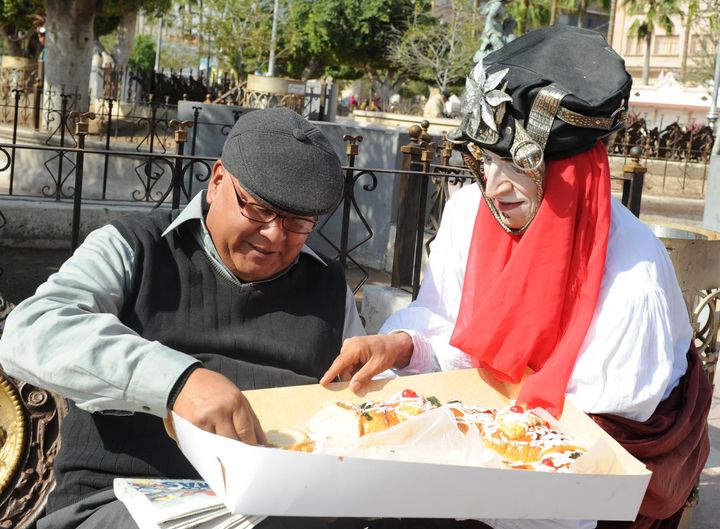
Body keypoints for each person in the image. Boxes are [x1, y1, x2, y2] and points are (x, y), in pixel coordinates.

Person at [321, 25, 711, 529]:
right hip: (476, 471)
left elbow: (592, 449)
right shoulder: (469, 213)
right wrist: (399, 346)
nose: (493, 186)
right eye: (486, 159)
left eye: (516, 164)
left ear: (572, 172)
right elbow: (451, 336)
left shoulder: (634, 276)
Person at [0, 107, 365, 529]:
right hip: (119, 501)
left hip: (282, 506)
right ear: (218, 180)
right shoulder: (134, 247)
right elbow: (31, 330)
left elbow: (366, 414)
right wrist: (178, 383)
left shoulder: (329, 286)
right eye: (259, 210)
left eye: (298, 222)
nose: (274, 235)